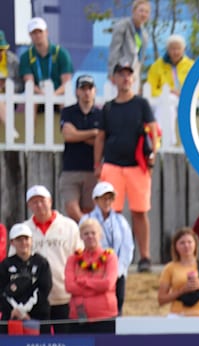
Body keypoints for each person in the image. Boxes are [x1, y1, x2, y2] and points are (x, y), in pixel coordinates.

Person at [95, 58, 157, 273]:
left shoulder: (141, 104)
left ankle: (145, 256)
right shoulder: (109, 107)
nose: (125, 78)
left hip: (136, 166)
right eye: (121, 74)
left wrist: (153, 155)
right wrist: (97, 163)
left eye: (128, 74)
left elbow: (152, 129)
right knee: (112, 212)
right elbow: (101, 137)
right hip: (112, 165)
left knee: (140, 212)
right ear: (114, 79)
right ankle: (114, 254)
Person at [20, 185, 80, 334]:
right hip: (33, 301)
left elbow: (79, 257)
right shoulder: (23, 230)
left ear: (50, 201)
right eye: (34, 202)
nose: (39, 205)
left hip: (65, 296)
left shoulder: (69, 226)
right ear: (29, 205)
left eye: (42, 200)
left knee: (66, 343)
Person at [82, 182, 134, 313]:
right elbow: (81, 244)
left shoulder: (120, 221)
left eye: (110, 198)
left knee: (117, 305)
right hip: (93, 271)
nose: (107, 202)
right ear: (96, 200)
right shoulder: (86, 219)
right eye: (103, 198)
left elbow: (127, 246)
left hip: (116, 272)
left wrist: (119, 270)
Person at [57, 75, 103, 221]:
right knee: (71, 209)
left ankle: (86, 235)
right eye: (83, 88)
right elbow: (68, 135)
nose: (86, 92)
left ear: (95, 91)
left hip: (92, 170)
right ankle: (86, 226)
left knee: (91, 208)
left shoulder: (101, 114)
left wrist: (79, 135)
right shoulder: (68, 111)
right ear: (77, 91)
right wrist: (93, 133)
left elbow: (101, 141)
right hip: (71, 169)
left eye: (90, 88)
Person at [64, 218, 119, 334]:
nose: (90, 236)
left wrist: (84, 282)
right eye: (86, 233)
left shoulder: (110, 257)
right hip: (78, 316)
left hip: (105, 316)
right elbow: (69, 286)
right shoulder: (73, 259)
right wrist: (96, 287)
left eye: (93, 233)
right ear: (81, 237)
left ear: (100, 235)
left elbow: (108, 283)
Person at [157, 227, 199, 317]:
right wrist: (182, 291)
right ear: (176, 246)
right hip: (179, 315)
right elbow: (161, 299)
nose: (186, 246)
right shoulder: (170, 268)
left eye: (189, 242)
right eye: (182, 243)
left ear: (195, 244)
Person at [0, 224, 51, 335]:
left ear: (31, 240)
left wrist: (24, 310)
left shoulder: (41, 262)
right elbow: (2, 291)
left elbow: (44, 289)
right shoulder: (5, 264)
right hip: (12, 315)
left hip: (38, 315)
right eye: (19, 240)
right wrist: (16, 310)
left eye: (26, 239)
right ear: (12, 242)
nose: (23, 243)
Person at [146, 34, 193, 147]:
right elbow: (150, 88)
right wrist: (166, 93)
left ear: (184, 50)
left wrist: (183, 94)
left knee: (169, 103)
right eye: (172, 48)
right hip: (161, 99)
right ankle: (168, 139)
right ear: (167, 50)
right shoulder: (157, 65)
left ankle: (159, 137)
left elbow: (198, 88)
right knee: (168, 102)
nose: (175, 52)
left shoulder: (190, 65)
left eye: (178, 49)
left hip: (184, 99)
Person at [19, 17, 73, 97]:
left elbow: (66, 83)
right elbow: (30, 84)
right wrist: (43, 95)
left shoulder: (61, 53)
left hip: (59, 95)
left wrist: (54, 95)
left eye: (40, 32)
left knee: (64, 100)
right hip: (38, 96)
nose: (38, 35)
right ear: (30, 35)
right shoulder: (26, 56)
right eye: (34, 33)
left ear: (46, 32)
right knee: (32, 99)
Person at [107, 0, 151, 78]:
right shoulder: (123, 26)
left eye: (146, 12)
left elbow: (141, 56)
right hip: (121, 70)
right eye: (141, 11)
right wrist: (112, 72)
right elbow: (114, 50)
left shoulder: (144, 34)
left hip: (134, 71)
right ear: (133, 11)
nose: (144, 14)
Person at [0, 30, 19, 137]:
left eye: (2, 49)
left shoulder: (13, 61)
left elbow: (21, 85)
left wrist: (8, 86)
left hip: (10, 100)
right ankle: (9, 128)